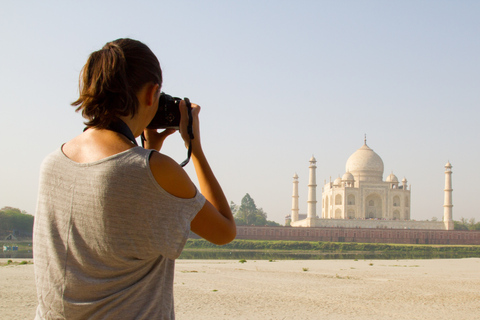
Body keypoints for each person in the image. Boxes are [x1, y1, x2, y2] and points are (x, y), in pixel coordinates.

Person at [33, 38, 236, 319]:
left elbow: (123, 202)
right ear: (152, 94)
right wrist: (195, 148)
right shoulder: (155, 170)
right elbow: (225, 231)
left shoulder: (52, 163)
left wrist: (148, 151)